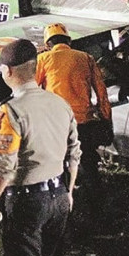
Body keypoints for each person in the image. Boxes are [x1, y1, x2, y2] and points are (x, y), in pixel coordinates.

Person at [0, 38, 81, 256]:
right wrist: (70, 192)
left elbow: (4, 166)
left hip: (28, 202)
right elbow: (74, 154)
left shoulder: (11, 111)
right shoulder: (60, 103)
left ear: (6, 71)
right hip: (60, 197)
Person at [36, 22, 112, 202]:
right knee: (89, 166)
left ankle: (63, 213)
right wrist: (105, 117)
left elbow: (31, 89)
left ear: (48, 43)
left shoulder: (44, 59)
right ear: (69, 40)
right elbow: (102, 91)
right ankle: (97, 211)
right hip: (81, 124)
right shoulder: (86, 58)